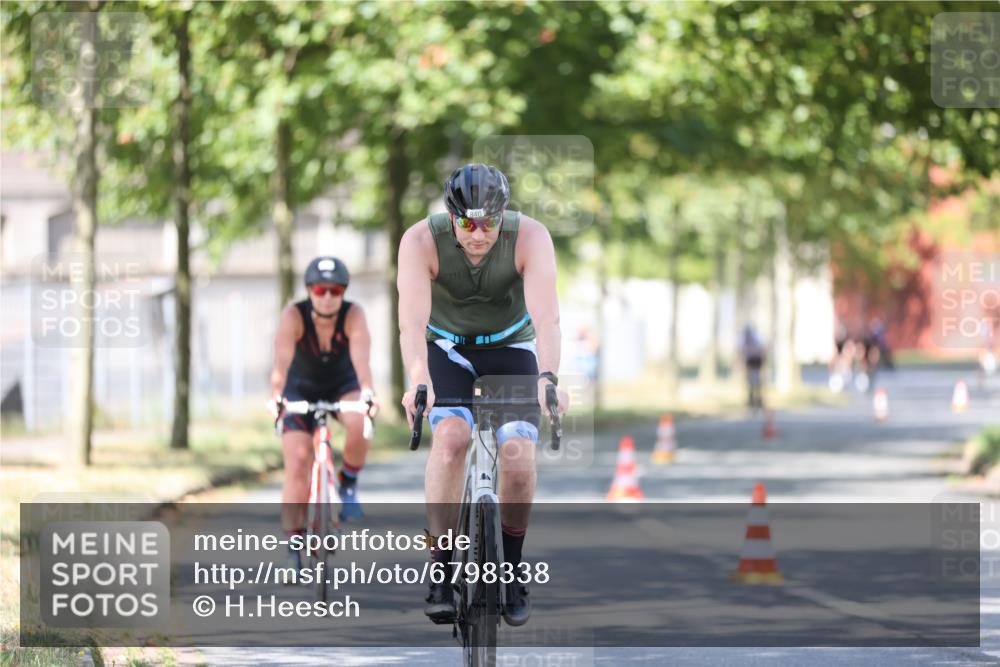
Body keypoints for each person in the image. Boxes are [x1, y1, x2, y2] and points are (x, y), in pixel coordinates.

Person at [397, 163, 568, 627]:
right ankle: (441, 570)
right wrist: (419, 381)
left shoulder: (530, 238)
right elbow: (411, 324)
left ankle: (510, 569)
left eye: (489, 222)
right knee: (451, 440)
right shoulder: (419, 241)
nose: (477, 233)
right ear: (451, 216)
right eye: (467, 222)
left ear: (503, 215)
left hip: (511, 347)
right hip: (446, 349)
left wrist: (548, 377)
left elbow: (548, 319)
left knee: (517, 453)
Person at [269, 256, 379, 569]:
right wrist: (276, 397)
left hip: (343, 385)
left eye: (335, 290)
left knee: (360, 421)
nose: (328, 296)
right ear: (309, 291)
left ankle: (348, 483)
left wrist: (368, 393)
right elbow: (280, 364)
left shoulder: (353, 314)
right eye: (320, 289)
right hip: (299, 389)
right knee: (298, 462)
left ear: (343, 291)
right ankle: (293, 544)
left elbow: (362, 360)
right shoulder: (294, 315)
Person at [739, 324, 766, 410]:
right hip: (750, 361)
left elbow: (762, 351)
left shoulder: (757, 339)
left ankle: (758, 399)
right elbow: (742, 352)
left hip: (756, 361)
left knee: (756, 380)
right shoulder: (745, 340)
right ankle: (751, 399)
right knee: (750, 381)